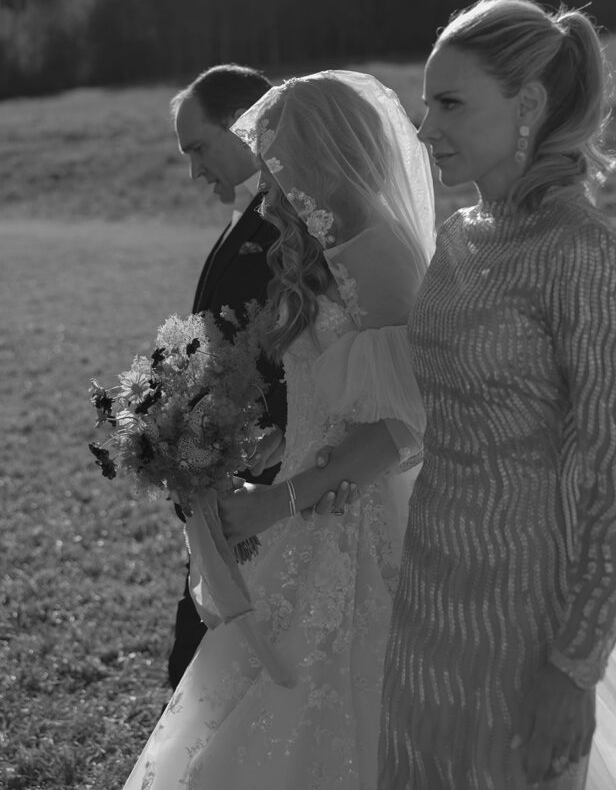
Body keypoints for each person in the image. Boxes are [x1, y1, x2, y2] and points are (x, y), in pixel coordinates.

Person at [122, 70, 435, 789]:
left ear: (322, 150)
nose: (267, 173)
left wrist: (282, 498)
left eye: (276, 154)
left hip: (354, 522)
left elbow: (406, 423)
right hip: (307, 500)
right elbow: (335, 392)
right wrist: (272, 446)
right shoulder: (318, 249)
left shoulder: (380, 252)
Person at [378, 0, 616, 790]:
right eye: (427, 104)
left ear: (527, 104)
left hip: (520, 612)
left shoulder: (581, 250)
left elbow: (609, 472)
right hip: (426, 581)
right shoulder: (457, 234)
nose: (426, 128)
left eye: (451, 103)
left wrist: (574, 666)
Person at [167, 63, 287, 688]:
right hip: (227, 484)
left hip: (273, 492)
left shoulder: (294, 227)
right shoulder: (249, 215)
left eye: (198, 147)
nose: (193, 169)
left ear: (246, 126)